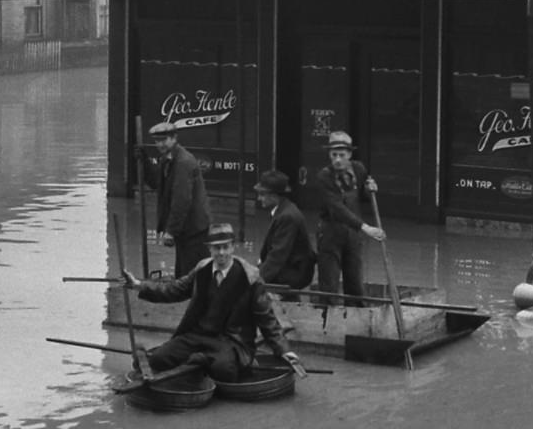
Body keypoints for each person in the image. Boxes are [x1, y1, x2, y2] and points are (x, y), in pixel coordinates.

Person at [126, 223, 299, 382]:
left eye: (225, 247)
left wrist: (284, 350)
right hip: (197, 335)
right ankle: (200, 360)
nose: (221, 253)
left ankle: (201, 361)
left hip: (230, 341)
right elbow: (174, 290)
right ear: (209, 249)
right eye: (217, 248)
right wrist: (139, 286)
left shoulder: (250, 278)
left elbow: (267, 319)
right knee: (159, 358)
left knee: (224, 371)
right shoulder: (202, 270)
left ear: (232, 247)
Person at [315, 130, 385, 306]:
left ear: (349, 155)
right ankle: (326, 323)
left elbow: (362, 196)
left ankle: (357, 320)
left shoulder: (359, 169)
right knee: (329, 285)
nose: (337, 159)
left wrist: (371, 191)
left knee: (355, 282)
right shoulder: (324, 176)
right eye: (334, 155)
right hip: (330, 234)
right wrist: (365, 227)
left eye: (341, 155)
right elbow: (337, 208)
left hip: (353, 235)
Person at [139, 121, 212, 277]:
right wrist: (144, 161)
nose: (160, 144)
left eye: (163, 140)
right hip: (186, 229)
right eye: (157, 141)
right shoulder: (167, 159)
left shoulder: (183, 162)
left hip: (193, 228)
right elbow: (155, 183)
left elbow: (182, 200)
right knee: (184, 274)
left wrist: (171, 231)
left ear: (174, 138)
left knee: (194, 275)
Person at [254, 169, 316, 291]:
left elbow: (277, 255)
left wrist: (257, 279)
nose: (259, 198)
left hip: (294, 273)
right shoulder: (283, 210)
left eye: (262, 194)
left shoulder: (287, 216)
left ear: (273, 195)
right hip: (290, 267)